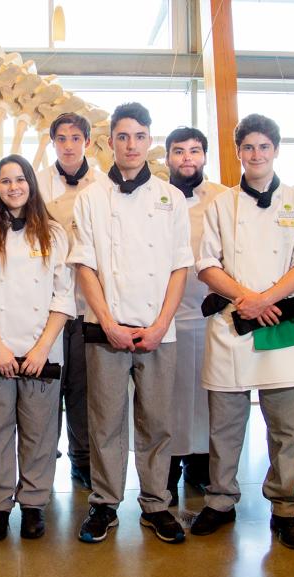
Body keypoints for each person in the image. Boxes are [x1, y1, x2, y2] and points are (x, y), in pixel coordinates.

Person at [190, 114, 294, 550]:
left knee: (285, 429)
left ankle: (284, 509)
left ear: (275, 150)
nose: (256, 154)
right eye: (248, 147)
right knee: (225, 428)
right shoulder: (221, 206)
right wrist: (248, 298)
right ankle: (221, 500)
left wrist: (267, 300)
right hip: (233, 324)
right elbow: (206, 264)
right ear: (239, 152)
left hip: (279, 327)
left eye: (264, 147)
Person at [69, 102, 193, 544]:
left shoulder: (170, 198)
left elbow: (181, 266)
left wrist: (162, 324)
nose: (131, 145)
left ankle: (156, 503)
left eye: (140, 136)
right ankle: (104, 502)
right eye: (123, 137)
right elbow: (83, 266)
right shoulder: (90, 199)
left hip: (159, 330)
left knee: (157, 421)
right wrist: (109, 322)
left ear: (149, 141)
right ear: (109, 143)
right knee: (105, 421)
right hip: (106, 330)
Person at [0, 154, 75, 541]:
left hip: (42, 350)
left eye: (20, 179)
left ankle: (33, 504)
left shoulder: (54, 234)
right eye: (6, 181)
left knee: (40, 433)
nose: (13, 187)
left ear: (31, 183)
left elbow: (63, 295)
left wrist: (43, 347)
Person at [36, 112, 106, 489]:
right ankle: (43, 459)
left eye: (75, 138)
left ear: (87, 143)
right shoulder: (37, 184)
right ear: (53, 143)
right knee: (46, 388)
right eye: (61, 138)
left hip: (87, 304)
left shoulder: (104, 186)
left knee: (82, 389)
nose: (68, 144)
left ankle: (83, 458)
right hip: (45, 306)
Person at [164, 127, 228, 504]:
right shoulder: (157, 195)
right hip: (167, 314)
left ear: (204, 156)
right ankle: (168, 471)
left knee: (207, 394)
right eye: (179, 151)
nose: (187, 158)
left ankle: (201, 468)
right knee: (169, 398)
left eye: (194, 151)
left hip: (209, 314)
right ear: (168, 157)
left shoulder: (222, 198)